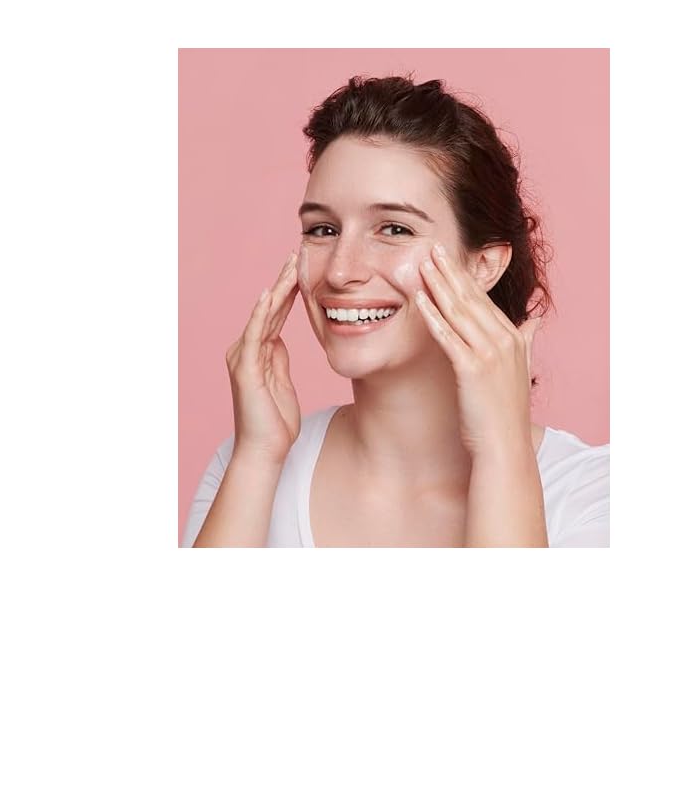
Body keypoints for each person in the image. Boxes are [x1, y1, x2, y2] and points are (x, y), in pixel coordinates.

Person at [182, 75, 609, 547]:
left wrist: (502, 452)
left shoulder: (594, 495)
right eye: (323, 230)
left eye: (394, 229)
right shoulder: (246, 466)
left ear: (483, 265)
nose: (340, 272)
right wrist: (257, 457)